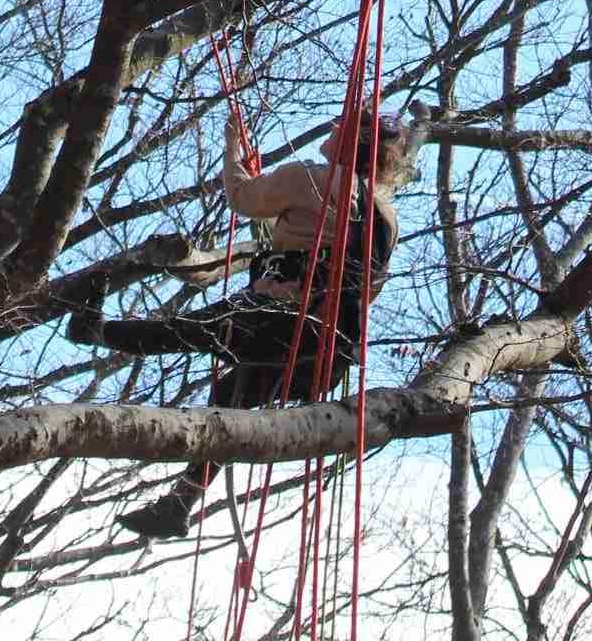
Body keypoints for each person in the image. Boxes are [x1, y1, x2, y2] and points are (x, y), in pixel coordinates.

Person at [67, 110, 412, 544]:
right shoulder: (385, 218)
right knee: (229, 399)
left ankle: (93, 330)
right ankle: (180, 502)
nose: (330, 128)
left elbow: (243, 198)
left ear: (351, 141)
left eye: (338, 126)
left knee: (181, 332)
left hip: (270, 321)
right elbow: (341, 265)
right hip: (325, 348)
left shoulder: (310, 176)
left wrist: (232, 148)